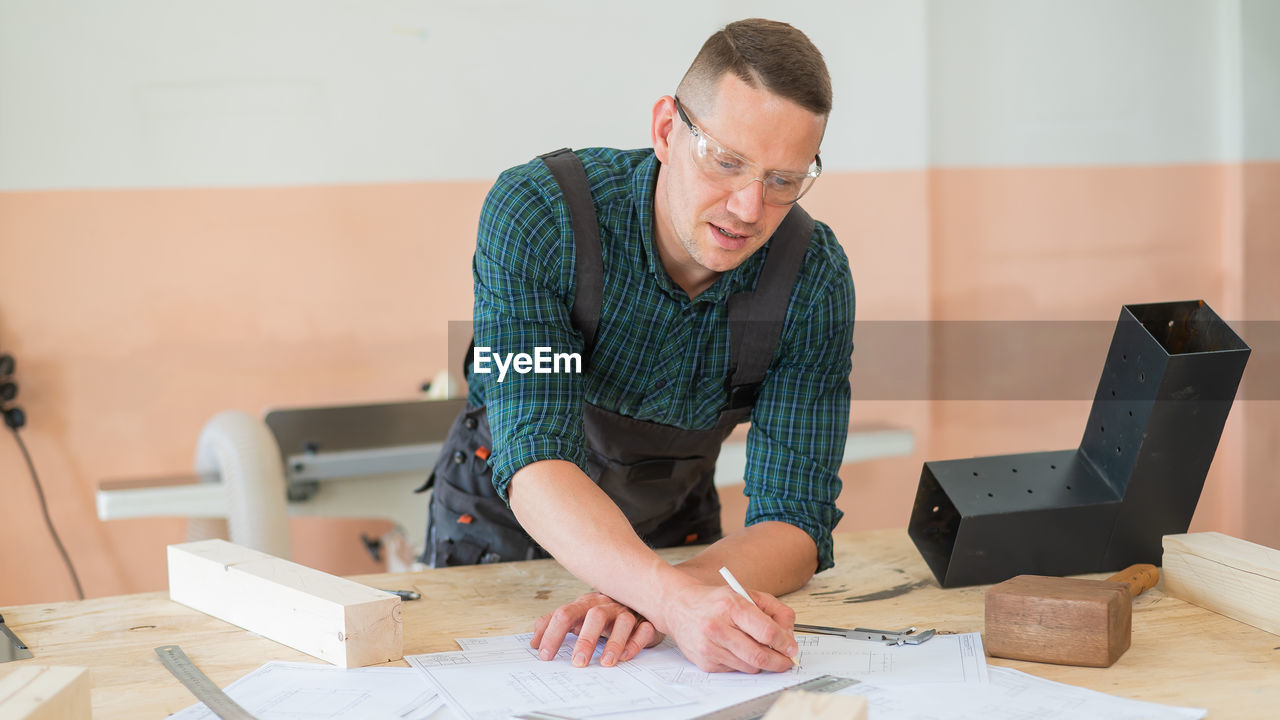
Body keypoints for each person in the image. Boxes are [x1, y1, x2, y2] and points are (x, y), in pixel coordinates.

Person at [422, 18, 854, 674]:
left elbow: (795, 518)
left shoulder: (812, 278)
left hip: (680, 550)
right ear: (665, 131)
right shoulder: (541, 213)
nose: (748, 207)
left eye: (783, 181)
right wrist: (663, 596)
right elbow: (535, 453)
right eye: (727, 161)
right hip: (502, 541)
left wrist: (669, 596)